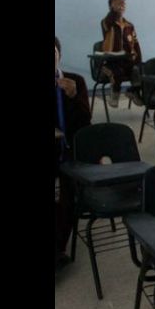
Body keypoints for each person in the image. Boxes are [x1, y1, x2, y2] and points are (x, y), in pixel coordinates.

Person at [55, 37, 92, 270]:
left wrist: (73, 97)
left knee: (69, 194)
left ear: (59, 55)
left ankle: (58, 248)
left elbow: (85, 124)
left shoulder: (74, 81)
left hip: (70, 152)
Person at [100, 0, 143, 107]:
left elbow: (136, 44)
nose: (122, 4)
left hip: (126, 60)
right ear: (111, 6)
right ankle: (114, 94)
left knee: (138, 70)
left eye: (123, 3)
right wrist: (113, 13)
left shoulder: (129, 26)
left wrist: (138, 60)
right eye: (118, 3)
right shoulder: (107, 22)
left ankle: (133, 91)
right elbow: (107, 24)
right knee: (117, 72)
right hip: (111, 62)